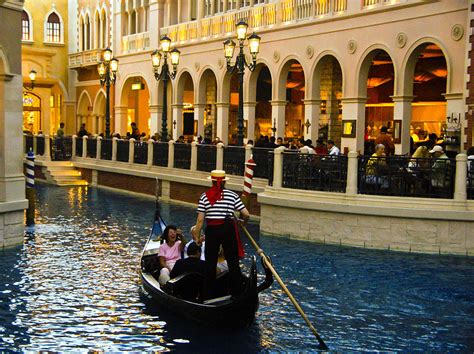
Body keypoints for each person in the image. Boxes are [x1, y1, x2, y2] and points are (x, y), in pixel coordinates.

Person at [192, 170, 249, 299]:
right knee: (232, 262)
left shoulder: (205, 196)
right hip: (228, 229)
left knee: (210, 263)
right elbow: (246, 214)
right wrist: (243, 223)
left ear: (212, 181)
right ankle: (237, 293)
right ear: (224, 182)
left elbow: (200, 221)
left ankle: (208, 296)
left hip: (212, 230)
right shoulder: (232, 195)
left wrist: (197, 238)